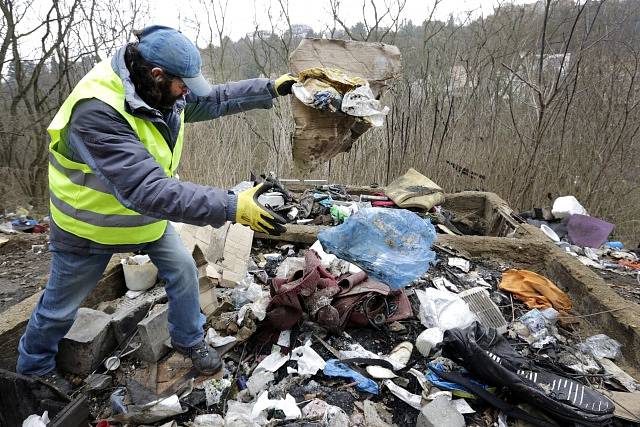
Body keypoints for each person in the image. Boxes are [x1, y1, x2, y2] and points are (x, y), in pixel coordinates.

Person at [16, 25, 295, 391]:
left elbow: (212, 99)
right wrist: (230, 205)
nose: (186, 95)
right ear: (157, 74)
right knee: (59, 307)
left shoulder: (160, 92)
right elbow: (146, 189)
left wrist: (269, 88)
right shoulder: (97, 111)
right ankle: (33, 370)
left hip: (143, 220)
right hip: (87, 227)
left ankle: (188, 339)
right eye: (183, 85)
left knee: (181, 270)